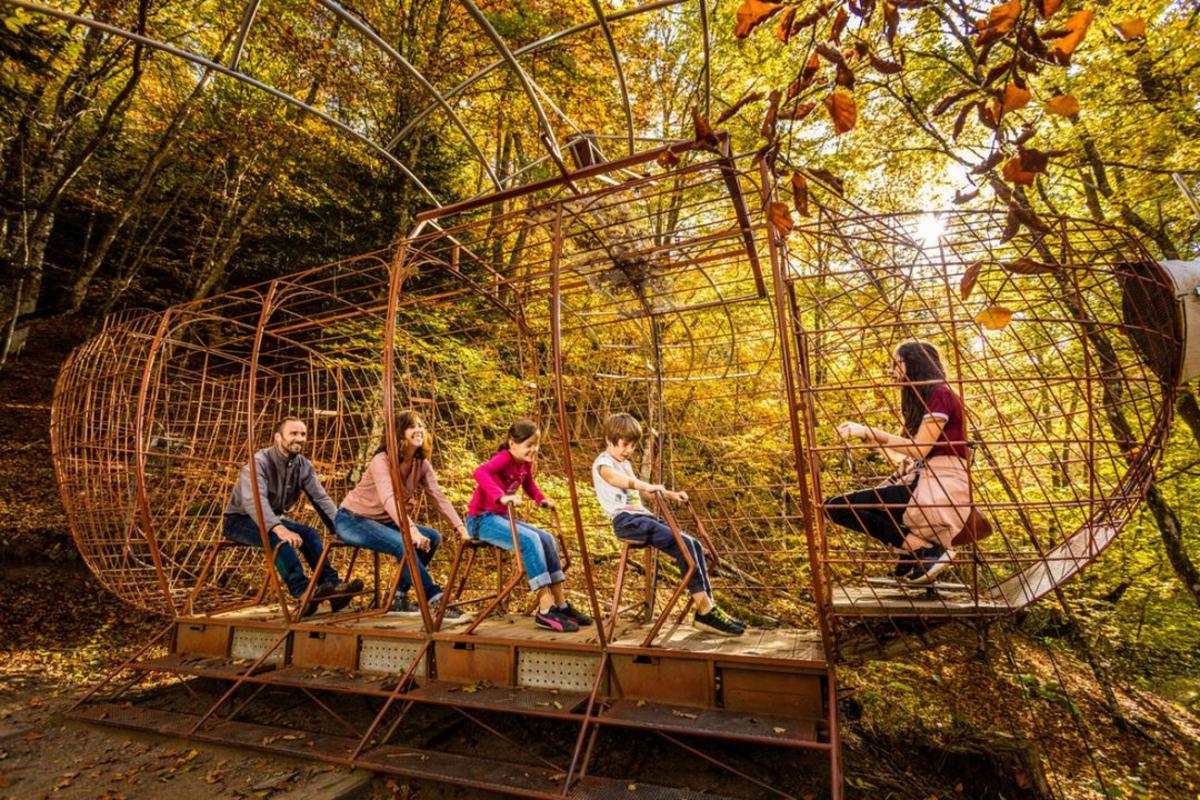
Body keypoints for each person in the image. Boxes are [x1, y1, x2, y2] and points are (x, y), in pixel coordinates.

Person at [827, 340, 971, 584]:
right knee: (841, 507)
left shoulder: (941, 394)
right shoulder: (923, 399)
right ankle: (918, 551)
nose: (892, 371)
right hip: (923, 478)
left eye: (897, 364)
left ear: (915, 363)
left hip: (941, 483)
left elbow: (920, 449)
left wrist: (868, 431)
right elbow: (903, 453)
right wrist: (866, 438)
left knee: (837, 507)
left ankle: (923, 550)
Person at [592, 413, 744, 636]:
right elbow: (613, 479)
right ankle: (705, 609)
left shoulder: (625, 464)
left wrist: (671, 494)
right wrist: (643, 484)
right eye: (624, 445)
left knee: (693, 545)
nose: (628, 451)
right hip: (626, 521)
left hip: (642, 518)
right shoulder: (604, 462)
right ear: (609, 439)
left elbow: (646, 491)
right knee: (683, 545)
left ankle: (707, 607)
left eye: (632, 446)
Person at [335, 410, 467, 623]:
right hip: (352, 519)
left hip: (383, 521)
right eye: (412, 426)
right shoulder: (382, 459)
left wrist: (460, 527)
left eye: (421, 426)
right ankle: (436, 599)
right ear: (399, 433)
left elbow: (438, 496)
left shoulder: (420, 463)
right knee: (404, 543)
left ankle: (398, 597)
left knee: (433, 538)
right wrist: (412, 530)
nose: (419, 430)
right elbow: (388, 499)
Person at [223, 417, 363, 616]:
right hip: (239, 520)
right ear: (278, 437)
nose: (300, 438)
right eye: (293, 434)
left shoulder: (302, 465)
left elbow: (320, 498)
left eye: (303, 434)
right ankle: (303, 591)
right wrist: (278, 528)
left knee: (309, 534)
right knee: (277, 539)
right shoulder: (258, 463)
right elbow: (254, 501)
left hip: (271, 518)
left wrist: (342, 527)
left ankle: (333, 586)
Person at [465, 419, 592, 633]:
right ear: (512, 443)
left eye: (536, 444)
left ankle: (560, 604)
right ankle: (544, 609)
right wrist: (501, 497)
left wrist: (541, 499)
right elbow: (480, 472)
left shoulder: (524, 463)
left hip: (502, 518)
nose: (533, 449)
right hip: (481, 520)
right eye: (529, 445)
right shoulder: (503, 458)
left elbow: (529, 485)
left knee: (547, 538)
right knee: (530, 540)